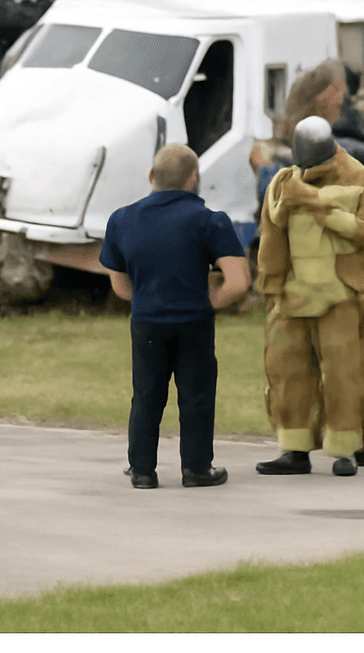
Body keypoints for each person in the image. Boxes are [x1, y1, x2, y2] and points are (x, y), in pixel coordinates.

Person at [100, 143, 251, 489]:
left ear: (152, 177)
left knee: (146, 394)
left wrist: (148, 299)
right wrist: (210, 300)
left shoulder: (121, 220)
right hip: (193, 322)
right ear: (193, 178)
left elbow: (120, 286)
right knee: (195, 395)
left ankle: (141, 470)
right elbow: (238, 281)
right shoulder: (210, 221)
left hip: (147, 321)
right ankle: (197, 469)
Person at [254, 116, 364, 477]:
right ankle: (294, 449)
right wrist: (271, 286)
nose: (306, 165)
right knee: (287, 373)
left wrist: (311, 202)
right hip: (292, 297)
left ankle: (345, 449)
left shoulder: (359, 178)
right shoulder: (283, 182)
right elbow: (271, 236)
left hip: (339, 296)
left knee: (344, 374)